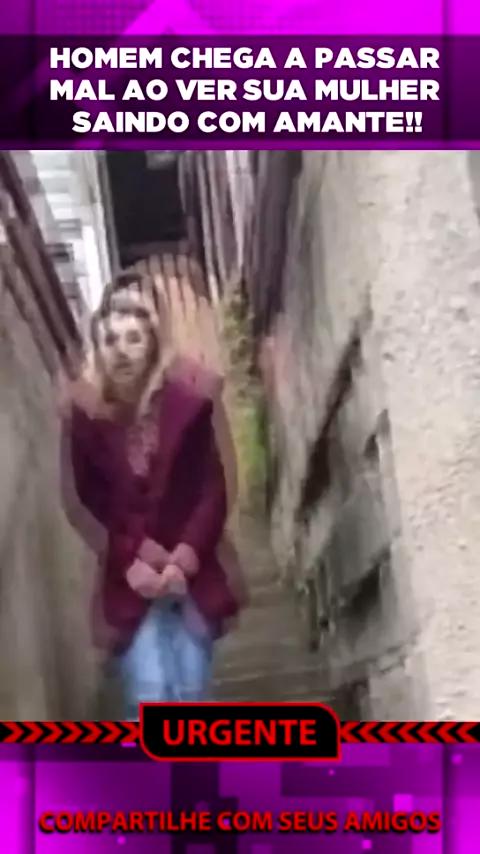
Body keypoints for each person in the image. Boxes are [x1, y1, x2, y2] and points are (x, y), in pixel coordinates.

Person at [60, 268, 244, 717]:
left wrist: (186, 554)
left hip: (193, 563)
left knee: (191, 691)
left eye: (141, 312)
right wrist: (132, 555)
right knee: (149, 692)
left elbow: (220, 480)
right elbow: (83, 500)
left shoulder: (194, 390)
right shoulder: (86, 410)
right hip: (128, 570)